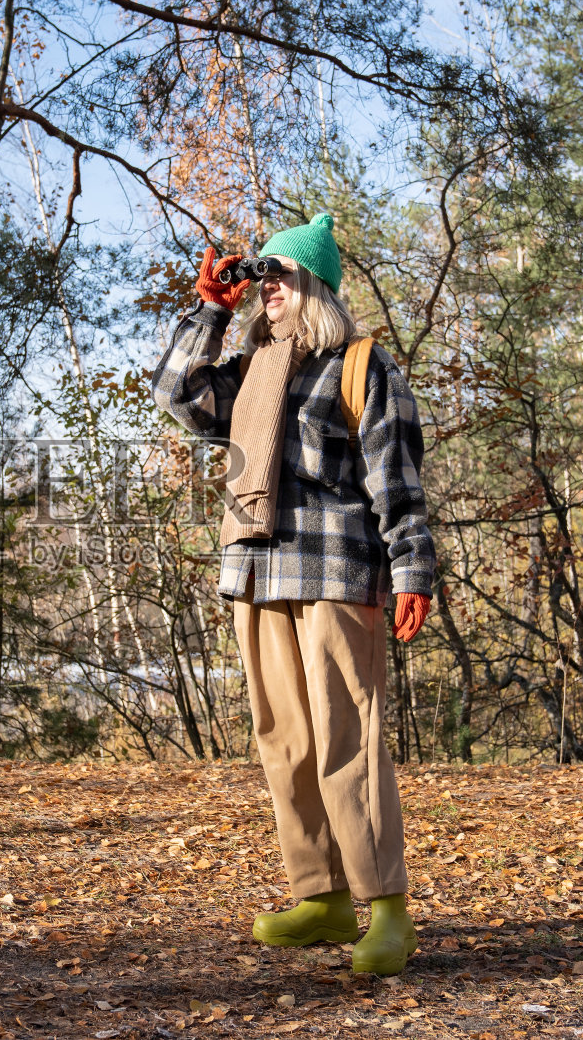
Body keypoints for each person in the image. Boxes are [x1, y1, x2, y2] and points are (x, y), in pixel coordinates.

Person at [150, 213, 435, 976]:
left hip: (338, 570)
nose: (263, 288)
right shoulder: (253, 368)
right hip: (256, 568)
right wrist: (209, 309)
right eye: (259, 278)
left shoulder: (362, 364)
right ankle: (321, 896)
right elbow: (178, 394)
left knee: (350, 736)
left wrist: (412, 569)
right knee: (285, 741)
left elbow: (396, 479)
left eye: (276, 276)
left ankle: (385, 909)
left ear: (313, 284)